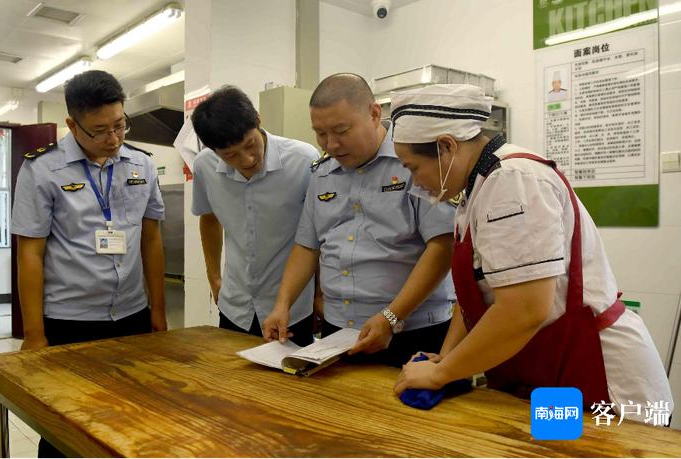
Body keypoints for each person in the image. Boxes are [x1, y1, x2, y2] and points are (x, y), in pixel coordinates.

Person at [391, 84, 673, 421]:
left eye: (412, 168)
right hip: (548, 370)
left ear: (446, 147)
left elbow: (524, 310)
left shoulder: (513, 181)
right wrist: (446, 358)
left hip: (596, 379)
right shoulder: (476, 189)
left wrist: (440, 374)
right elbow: (475, 300)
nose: (415, 182)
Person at [11, 70, 167, 456]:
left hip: (130, 314)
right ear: (71, 124)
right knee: (63, 424)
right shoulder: (42, 168)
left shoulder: (141, 164)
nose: (113, 139)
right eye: (99, 131)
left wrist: (158, 311)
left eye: (120, 126)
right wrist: (34, 334)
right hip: (68, 320)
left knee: (131, 415)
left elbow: (151, 239)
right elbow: (30, 251)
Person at [263, 73, 457, 368]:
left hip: (411, 331)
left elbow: (443, 247)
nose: (331, 144)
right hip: (338, 333)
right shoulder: (322, 173)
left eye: (341, 130)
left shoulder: (414, 162)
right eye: (320, 133)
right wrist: (282, 304)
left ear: (374, 113)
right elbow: (307, 246)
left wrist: (391, 317)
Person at [190, 85, 319, 346]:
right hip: (235, 306)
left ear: (258, 120)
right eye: (230, 155)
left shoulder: (303, 160)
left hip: (293, 309)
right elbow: (209, 218)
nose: (247, 159)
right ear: (214, 151)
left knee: (293, 385)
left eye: (251, 145)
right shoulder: (205, 167)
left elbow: (318, 234)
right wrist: (213, 276)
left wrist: (321, 294)